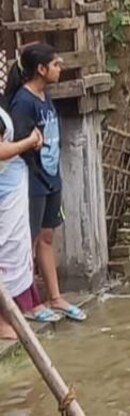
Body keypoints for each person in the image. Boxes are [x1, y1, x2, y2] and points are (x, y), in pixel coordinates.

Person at [6, 43, 82, 322]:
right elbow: (18, 146)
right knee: (29, 240)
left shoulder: (44, 96)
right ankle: (29, 302)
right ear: (40, 69)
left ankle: (55, 296)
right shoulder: (23, 102)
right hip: (33, 180)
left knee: (47, 237)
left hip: (51, 178)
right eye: (55, 64)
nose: (60, 69)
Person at [0, 94, 49, 338]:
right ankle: (1, 320)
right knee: (4, 251)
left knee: (15, 248)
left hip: (10, 184)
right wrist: (28, 142)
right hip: (4, 189)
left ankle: (11, 313)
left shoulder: (3, 103)